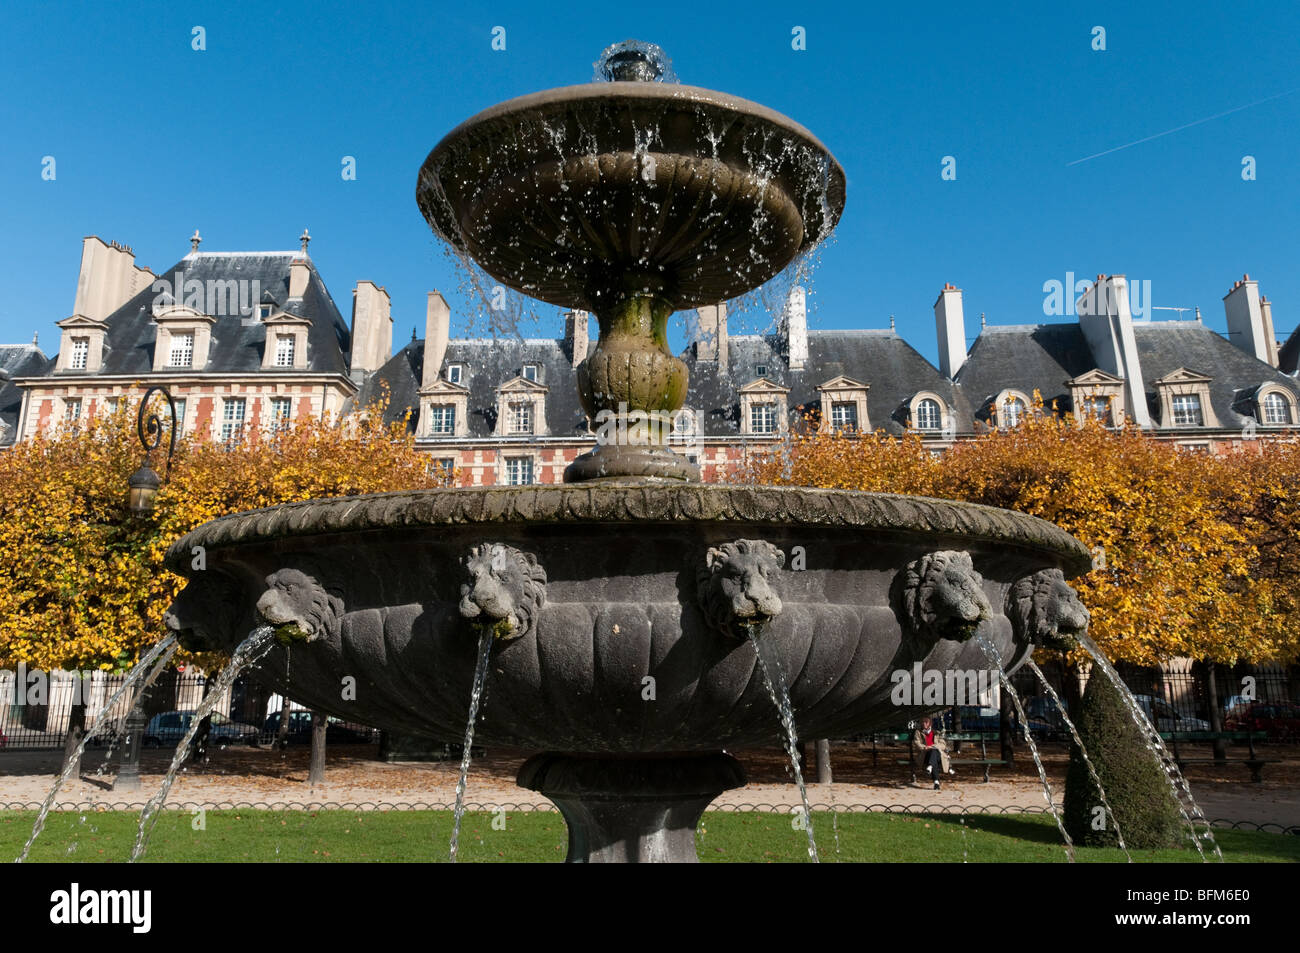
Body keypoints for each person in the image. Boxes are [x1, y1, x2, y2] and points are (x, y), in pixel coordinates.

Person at [913, 715, 952, 790]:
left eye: (926, 722)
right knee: (933, 755)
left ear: (930, 723)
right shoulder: (918, 732)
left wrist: (933, 746)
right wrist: (925, 747)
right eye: (923, 722)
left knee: (934, 751)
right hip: (925, 755)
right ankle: (936, 782)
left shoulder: (936, 732)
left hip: (938, 755)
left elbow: (943, 745)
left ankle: (931, 768)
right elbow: (917, 743)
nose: (924, 724)